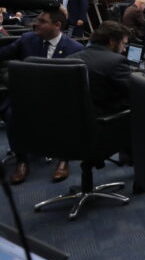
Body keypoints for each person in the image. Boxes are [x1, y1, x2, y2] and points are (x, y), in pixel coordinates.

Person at [0, 10, 84, 184]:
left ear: (57, 25)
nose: (37, 24)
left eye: (43, 21)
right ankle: (22, 160)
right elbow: (3, 54)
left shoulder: (75, 49)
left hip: (58, 98)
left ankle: (64, 158)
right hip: (27, 95)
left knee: (69, 113)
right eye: (38, 20)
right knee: (11, 113)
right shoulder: (27, 39)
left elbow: (78, 83)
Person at [70, 21, 132, 116]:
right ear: (112, 42)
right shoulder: (116, 61)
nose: (124, 49)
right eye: (123, 44)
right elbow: (133, 93)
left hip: (76, 118)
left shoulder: (71, 58)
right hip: (107, 121)